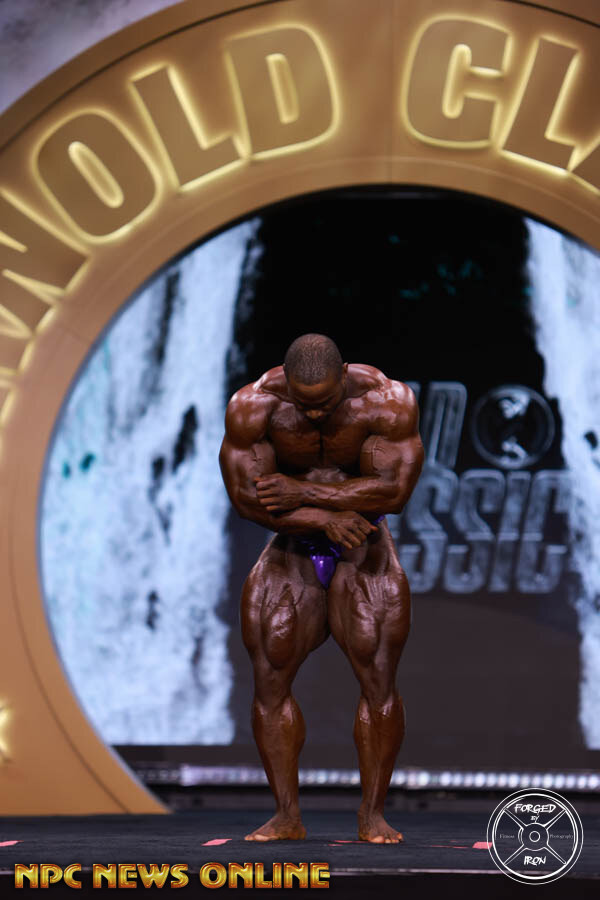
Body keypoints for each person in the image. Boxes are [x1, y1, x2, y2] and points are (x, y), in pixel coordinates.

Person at [219, 334, 424, 843]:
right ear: (286, 384)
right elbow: (247, 499)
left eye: (325, 403)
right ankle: (286, 816)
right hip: (293, 545)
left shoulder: (387, 401)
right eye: (304, 404)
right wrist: (323, 519)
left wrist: (302, 491)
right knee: (270, 677)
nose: (314, 415)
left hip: (364, 544)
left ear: (344, 375)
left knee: (378, 678)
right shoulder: (254, 407)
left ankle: (372, 815)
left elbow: (395, 492)